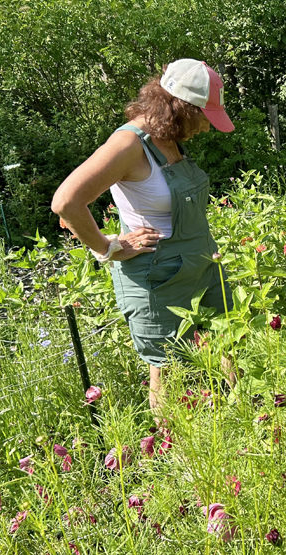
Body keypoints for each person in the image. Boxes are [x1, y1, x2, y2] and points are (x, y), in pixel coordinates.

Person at [51, 59, 235, 421]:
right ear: (182, 107)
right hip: (159, 276)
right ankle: (174, 451)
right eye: (204, 117)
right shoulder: (129, 144)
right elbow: (66, 202)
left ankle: (248, 418)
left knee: (230, 340)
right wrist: (108, 247)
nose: (206, 128)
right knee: (166, 369)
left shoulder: (170, 138)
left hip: (202, 264)